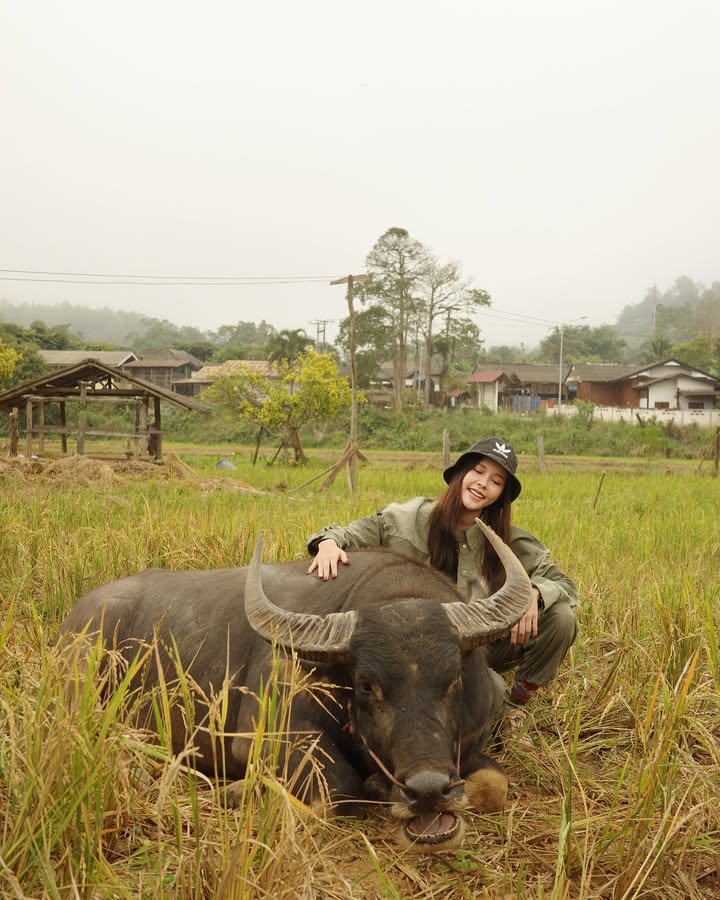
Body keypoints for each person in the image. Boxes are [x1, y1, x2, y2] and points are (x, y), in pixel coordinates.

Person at [306, 436, 578, 751]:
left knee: (560, 617)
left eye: (496, 481)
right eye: (478, 471)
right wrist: (327, 543)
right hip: (411, 653)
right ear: (460, 473)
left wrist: (534, 593)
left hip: (474, 647)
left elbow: (563, 583)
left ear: (501, 495)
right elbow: (348, 533)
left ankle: (515, 708)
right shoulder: (406, 518)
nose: (483, 484)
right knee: (490, 697)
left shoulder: (509, 542)